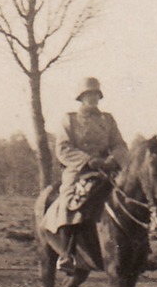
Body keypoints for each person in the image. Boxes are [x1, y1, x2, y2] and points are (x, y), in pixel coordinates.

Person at [44, 76, 128, 273]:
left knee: (130, 197)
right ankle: (67, 253)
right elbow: (63, 147)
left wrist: (113, 159)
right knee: (70, 200)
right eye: (88, 95)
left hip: (108, 169)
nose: (92, 98)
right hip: (79, 169)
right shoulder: (70, 119)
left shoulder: (108, 119)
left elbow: (119, 144)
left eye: (95, 95)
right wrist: (88, 160)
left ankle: (137, 250)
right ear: (81, 97)